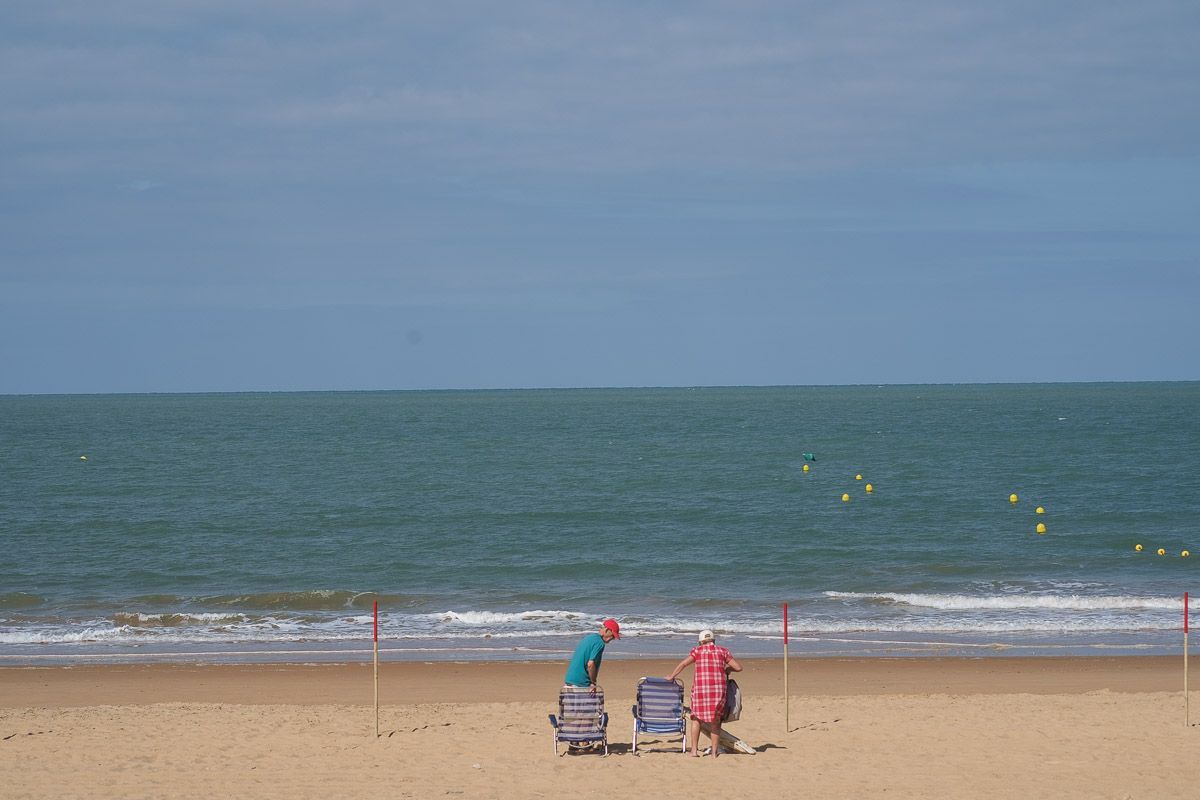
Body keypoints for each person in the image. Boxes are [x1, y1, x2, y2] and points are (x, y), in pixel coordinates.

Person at [666, 629, 742, 758]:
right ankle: (714, 752)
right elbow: (738, 667)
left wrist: (672, 676)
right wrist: (727, 669)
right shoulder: (723, 651)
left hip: (700, 690)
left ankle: (694, 751)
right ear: (713, 640)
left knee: (696, 719)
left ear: (701, 641)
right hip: (718, 691)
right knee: (715, 721)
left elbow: (684, 664)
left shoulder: (697, 651)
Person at [564, 618, 620, 689]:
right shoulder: (600, 643)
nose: (612, 639)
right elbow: (590, 664)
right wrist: (593, 682)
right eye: (612, 636)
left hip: (569, 679)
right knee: (591, 699)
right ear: (607, 630)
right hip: (581, 682)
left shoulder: (590, 637)